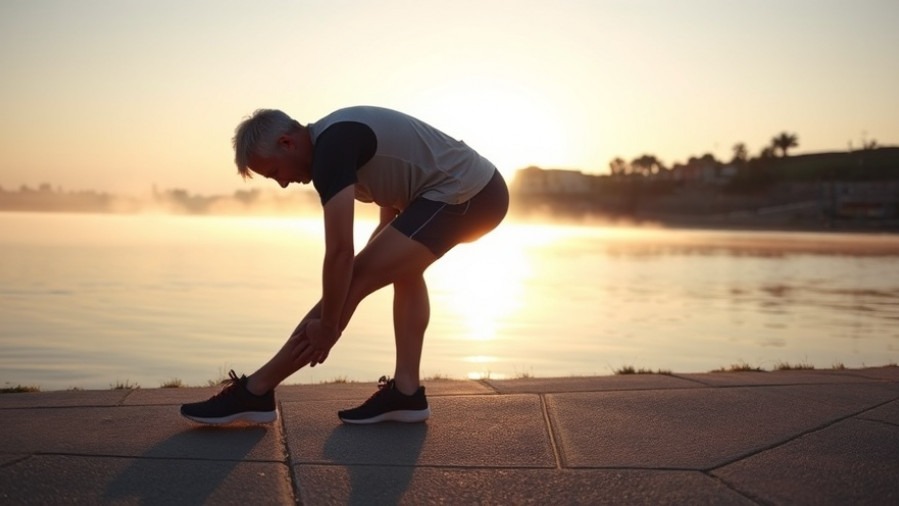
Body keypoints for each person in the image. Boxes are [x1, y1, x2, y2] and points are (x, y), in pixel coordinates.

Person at [180, 105, 509, 425]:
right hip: (455, 193)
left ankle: (256, 390)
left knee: (356, 277)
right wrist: (371, 265)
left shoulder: (331, 149)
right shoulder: (336, 137)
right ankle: (407, 393)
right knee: (396, 272)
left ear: (286, 143)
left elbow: (339, 252)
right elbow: (394, 194)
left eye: (275, 172)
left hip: (470, 195)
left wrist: (328, 327)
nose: (281, 183)